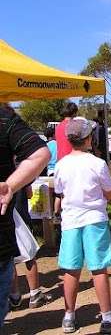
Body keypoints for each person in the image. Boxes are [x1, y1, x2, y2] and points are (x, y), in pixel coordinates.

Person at [54, 117, 111, 333]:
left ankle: (68, 317)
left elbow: (60, 190)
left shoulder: (61, 164)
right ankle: (107, 317)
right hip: (95, 219)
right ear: (89, 139)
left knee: (71, 269)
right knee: (98, 268)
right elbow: (109, 193)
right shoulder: (97, 163)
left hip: (71, 221)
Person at [0, 105, 50, 327]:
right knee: (27, 253)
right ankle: (29, 292)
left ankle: (18, 294)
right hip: (8, 227)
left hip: (7, 231)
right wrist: (12, 186)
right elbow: (40, 154)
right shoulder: (5, 117)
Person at [9, 185, 50, 310]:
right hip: (18, 215)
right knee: (29, 256)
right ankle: (34, 293)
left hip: (6, 219)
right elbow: (29, 194)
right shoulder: (17, 169)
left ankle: (14, 297)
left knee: (8, 258)